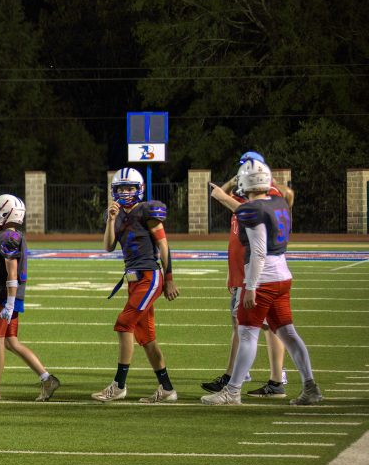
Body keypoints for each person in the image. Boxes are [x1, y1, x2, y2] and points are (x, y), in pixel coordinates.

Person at [202, 159, 323, 406]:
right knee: (288, 333)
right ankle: (310, 387)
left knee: (247, 334)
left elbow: (258, 252)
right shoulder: (279, 202)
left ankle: (232, 391)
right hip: (282, 276)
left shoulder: (253, 209)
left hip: (263, 279)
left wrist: (251, 287)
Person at [92, 168, 181, 404]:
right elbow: (108, 246)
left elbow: (164, 246)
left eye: (130, 188)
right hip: (133, 280)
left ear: (139, 189)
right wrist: (111, 220)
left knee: (124, 324)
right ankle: (167, 389)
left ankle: (119, 386)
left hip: (149, 276)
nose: (125, 192)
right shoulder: (116, 214)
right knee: (146, 337)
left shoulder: (147, 211)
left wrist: (169, 278)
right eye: (121, 188)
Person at [0, 194, 61, 402]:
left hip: (3, 297)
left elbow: (12, 272)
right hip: (9, 297)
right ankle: (47, 379)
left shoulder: (8, 237)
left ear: (7, 213)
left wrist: (8, 303)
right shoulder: (13, 236)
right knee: (11, 342)